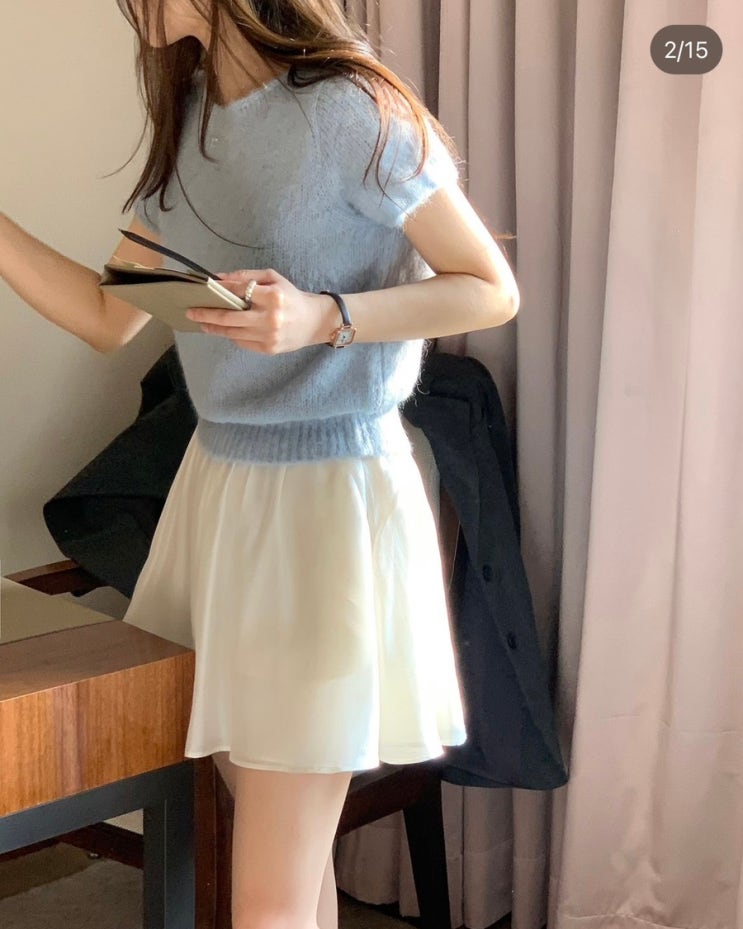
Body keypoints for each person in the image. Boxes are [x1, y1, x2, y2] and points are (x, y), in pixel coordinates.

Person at [0, 2, 520, 927]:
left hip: (326, 504)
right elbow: (107, 315)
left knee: (267, 894)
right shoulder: (195, 123)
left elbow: (488, 288)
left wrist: (327, 317)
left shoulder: (351, 108)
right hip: (219, 495)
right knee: (283, 872)